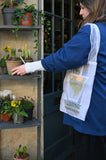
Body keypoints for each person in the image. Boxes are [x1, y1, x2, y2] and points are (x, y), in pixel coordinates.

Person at [11, 0, 106, 159]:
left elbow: (64, 57)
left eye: (83, 8)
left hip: (92, 114)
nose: (81, 13)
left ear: (94, 7)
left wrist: (29, 67)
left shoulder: (92, 31)